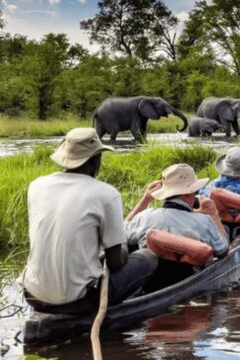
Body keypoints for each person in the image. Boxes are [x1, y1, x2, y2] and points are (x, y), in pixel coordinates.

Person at [22, 128, 157, 314]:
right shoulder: (107, 194)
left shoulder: (36, 186)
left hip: (32, 295)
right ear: (95, 161)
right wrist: (125, 249)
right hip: (79, 299)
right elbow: (115, 262)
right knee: (148, 257)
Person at [125, 163, 229, 258]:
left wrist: (146, 199)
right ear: (189, 192)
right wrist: (214, 215)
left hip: (151, 274)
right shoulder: (204, 221)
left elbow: (123, 229)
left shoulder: (145, 216)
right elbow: (223, 250)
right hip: (189, 273)